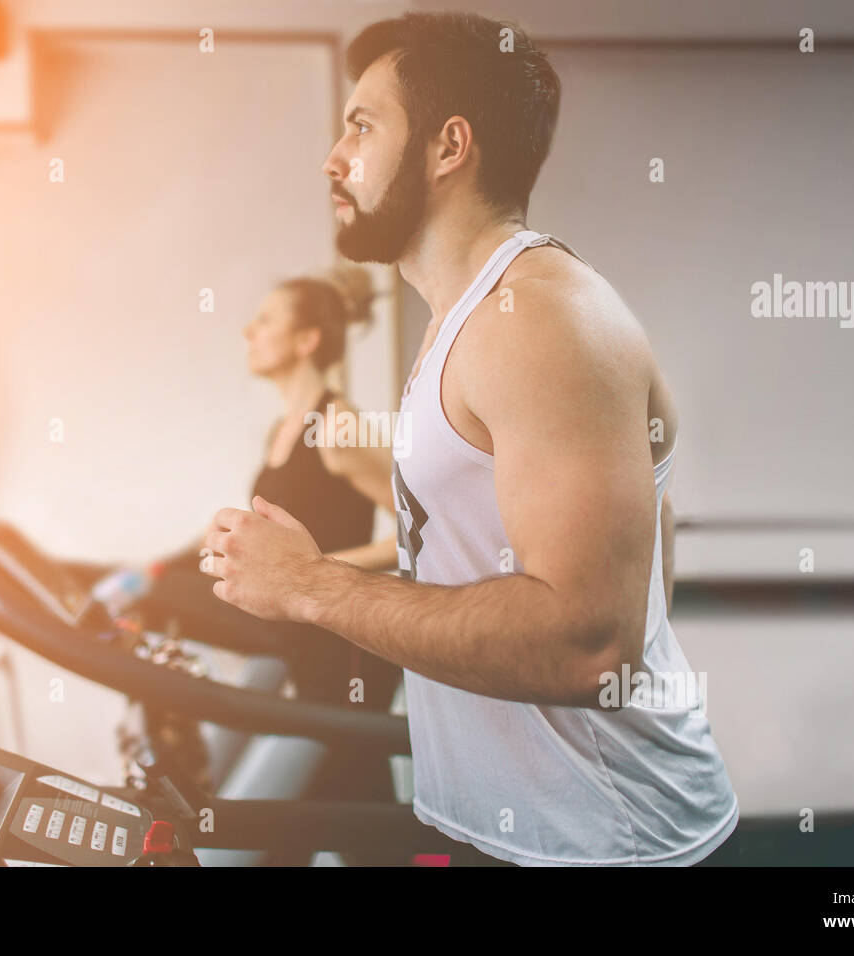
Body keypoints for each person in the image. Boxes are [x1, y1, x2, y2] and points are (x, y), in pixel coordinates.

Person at [200, 11, 740, 865]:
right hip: (506, 831)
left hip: (608, 843)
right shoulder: (463, 321)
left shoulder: (544, 322)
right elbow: (640, 563)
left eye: (363, 126)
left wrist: (310, 586)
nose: (333, 158)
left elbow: (589, 641)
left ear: (449, 147)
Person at [136, 266, 403, 798]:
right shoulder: (279, 431)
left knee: (351, 809)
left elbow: (419, 530)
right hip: (297, 633)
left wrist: (313, 573)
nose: (248, 332)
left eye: (264, 321)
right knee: (324, 807)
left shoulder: (336, 426)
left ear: (306, 340)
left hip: (340, 646)